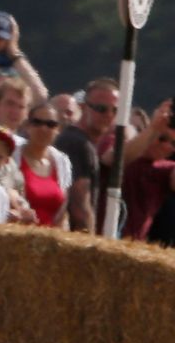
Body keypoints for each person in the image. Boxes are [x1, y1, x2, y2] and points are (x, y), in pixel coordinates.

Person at [56, 77, 117, 232]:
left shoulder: (81, 142)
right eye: (101, 109)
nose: (109, 115)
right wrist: (90, 246)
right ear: (83, 107)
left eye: (115, 110)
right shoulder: (78, 144)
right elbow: (80, 208)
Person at [122, 101, 175, 243]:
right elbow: (118, 160)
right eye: (162, 138)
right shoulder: (127, 151)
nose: (167, 146)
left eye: (174, 144)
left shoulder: (164, 169)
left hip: (133, 246)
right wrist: (154, 128)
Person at [16, 101, 73, 229]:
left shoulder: (62, 162)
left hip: (50, 241)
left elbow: (63, 212)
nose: (43, 129)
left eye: (51, 124)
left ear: (58, 130)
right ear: (27, 126)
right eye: (37, 122)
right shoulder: (13, 157)